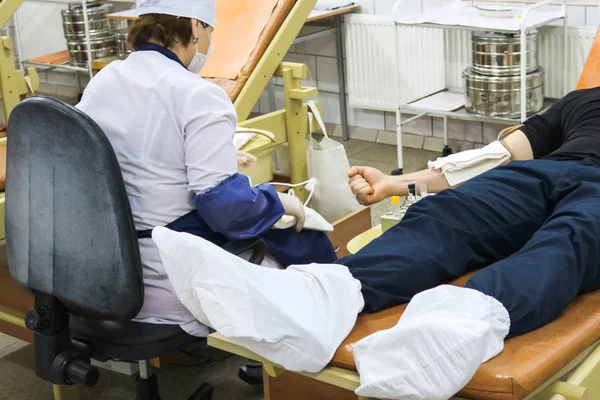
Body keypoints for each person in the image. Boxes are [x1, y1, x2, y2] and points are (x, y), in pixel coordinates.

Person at [151, 87, 600, 400]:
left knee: (570, 238)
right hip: (544, 174)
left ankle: (457, 328)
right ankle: (316, 298)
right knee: (446, 217)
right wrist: (395, 183)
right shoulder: (586, 100)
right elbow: (493, 158)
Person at [75, 0, 336, 338]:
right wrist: (276, 200)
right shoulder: (198, 94)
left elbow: (129, 155)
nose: (209, 44)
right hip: (168, 272)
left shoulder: (105, 79)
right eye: (209, 32)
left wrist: (220, 156)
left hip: (109, 263)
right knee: (305, 240)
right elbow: (227, 208)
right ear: (195, 27)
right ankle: (294, 353)